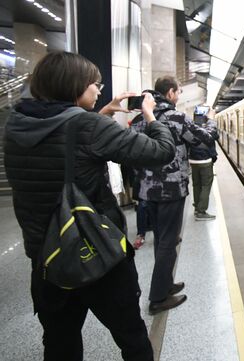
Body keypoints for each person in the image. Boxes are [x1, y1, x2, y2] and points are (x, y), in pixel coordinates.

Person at [3, 51, 176, 361]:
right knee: (132, 338)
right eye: (96, 84)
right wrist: (150, 114)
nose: (99, 91)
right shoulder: (87, 126)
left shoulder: (16, 126)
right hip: (98, 255)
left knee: (59, 344)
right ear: (75, 85)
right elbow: (161, 151)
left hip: (47, 256)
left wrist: (102, 116)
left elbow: (63, 143)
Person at [131, 76, 215, 315]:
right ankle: (158, 298)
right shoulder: (177, 118)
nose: (179, 96)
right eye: (178, 92)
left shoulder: (139, 120)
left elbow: (133, 155)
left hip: (148, 192)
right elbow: (205, 139)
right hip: (171, 190)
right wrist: (210, 122)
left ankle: (166, 284)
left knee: (160, 238)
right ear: (169, 94)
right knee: (168, 242)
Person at [189, 106, 219, 220]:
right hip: (205, 160)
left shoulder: (190, 126)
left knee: (196, 185)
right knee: (206, 185)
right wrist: (211, 120)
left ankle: (197, 207)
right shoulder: (208, 127)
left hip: (193, 160)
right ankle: (201, 211)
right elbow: (213, 136)